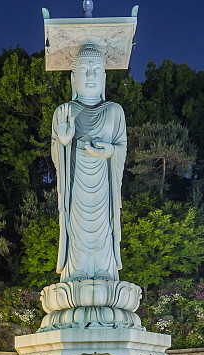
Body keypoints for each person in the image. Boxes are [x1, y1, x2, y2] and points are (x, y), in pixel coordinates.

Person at [52, 43, 127, 282]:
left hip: (104, 187)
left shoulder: (114, 111)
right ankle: (76, 271)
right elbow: (56, 153)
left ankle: (105, 270)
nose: (91, 76)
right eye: (84, 70)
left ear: (104, 78)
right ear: (73, 79)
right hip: (76, 187)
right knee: (76, 228)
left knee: (103, 226)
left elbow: (122, 148)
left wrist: (110, 151)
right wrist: (64, 141)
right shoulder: (64, 112)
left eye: (96, 71)